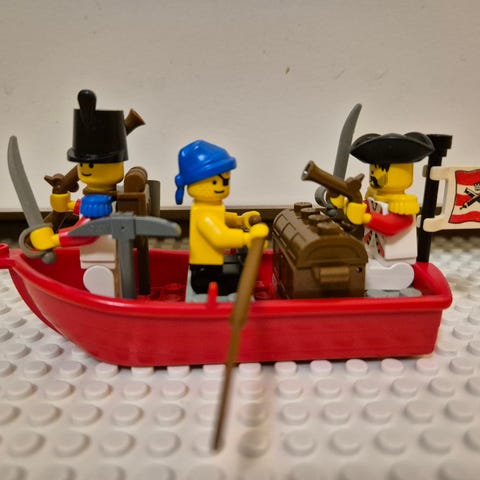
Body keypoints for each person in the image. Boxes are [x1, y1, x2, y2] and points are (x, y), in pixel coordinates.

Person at [334, 132, 434, 290]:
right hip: (372, 251)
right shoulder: (375, 196)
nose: (375, 175)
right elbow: (362, 208)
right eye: (373, 170)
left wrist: (365, 218)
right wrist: (345, 203)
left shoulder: (404, 203)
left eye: (382, 170)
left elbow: (393, 225)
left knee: (362, 272)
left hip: (395, 261)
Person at [175, 140, 268, 295]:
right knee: (240, 279)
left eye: (226, 181)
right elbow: (220, 237)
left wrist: (239, 220)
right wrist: (247, 238)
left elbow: (221, 218)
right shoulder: (203, 214)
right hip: (206, 270)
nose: (222, 186)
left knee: (238, 267)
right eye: (214, 182)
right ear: (193, 183)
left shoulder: (210, 207)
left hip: (213, 263)